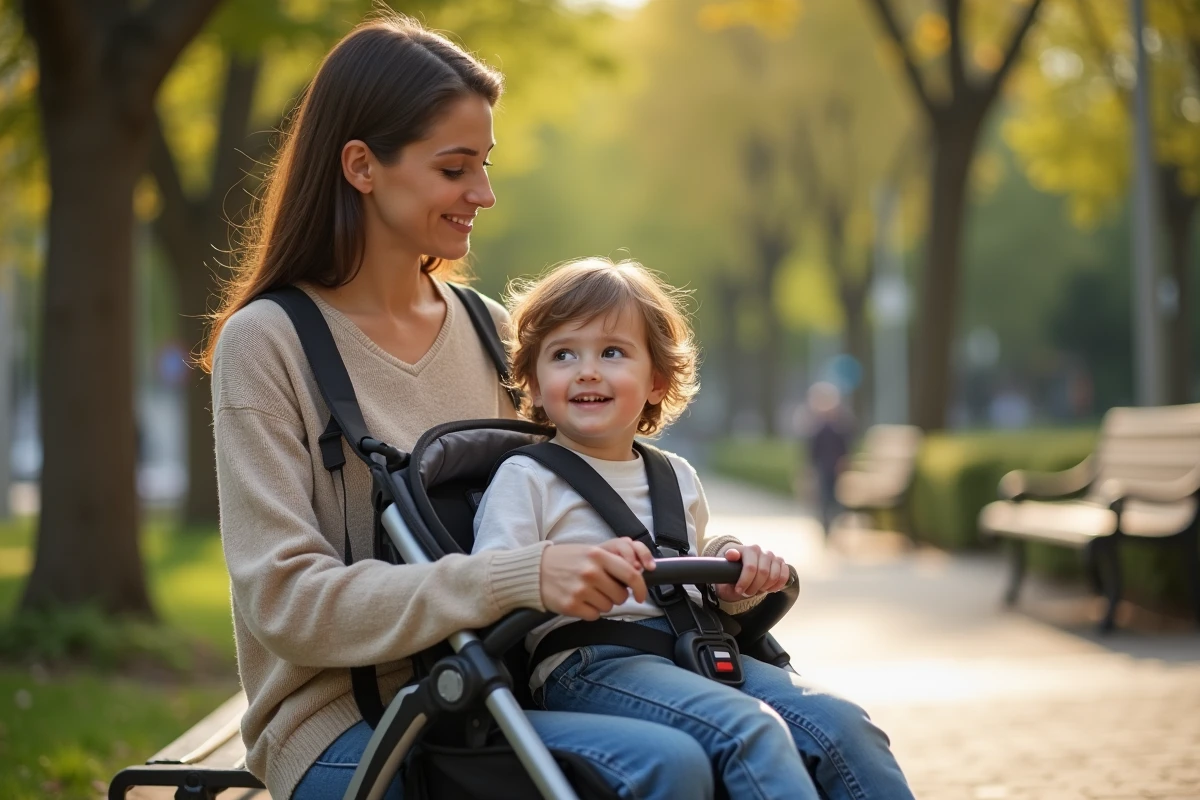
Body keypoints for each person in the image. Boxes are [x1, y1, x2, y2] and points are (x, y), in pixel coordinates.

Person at [204, 15, 726, 800]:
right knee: (668, 766)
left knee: (741, 734)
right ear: (361, 166)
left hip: (511, 695)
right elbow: (286, 603)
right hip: (351, 729)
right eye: (455, 169)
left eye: (483, 165)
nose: (483, 194)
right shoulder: (268, 343)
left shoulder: (491, 331)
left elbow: (587, 488)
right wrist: (513, 578)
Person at [472, 258, 914, 800]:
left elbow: (693, 566)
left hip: (694, 651)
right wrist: (559, 574)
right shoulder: (526, 477)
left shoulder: (674, 475)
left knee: (844, 724)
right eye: (563, 355)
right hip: (593, 664)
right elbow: (490, 581)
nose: (587, 370)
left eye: (612, 352)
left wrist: (732, 573)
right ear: (535, 385)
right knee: (751, 732)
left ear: (657, 381)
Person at [805, 381, 853, 536]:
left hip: (835, 467)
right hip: (822, 467)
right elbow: (811, 450)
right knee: (824, 499)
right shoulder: (816, 426)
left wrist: (844, 461)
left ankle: (836, 524)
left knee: (836, 498)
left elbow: (845, 446)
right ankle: (826, 526)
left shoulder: (841, 425)